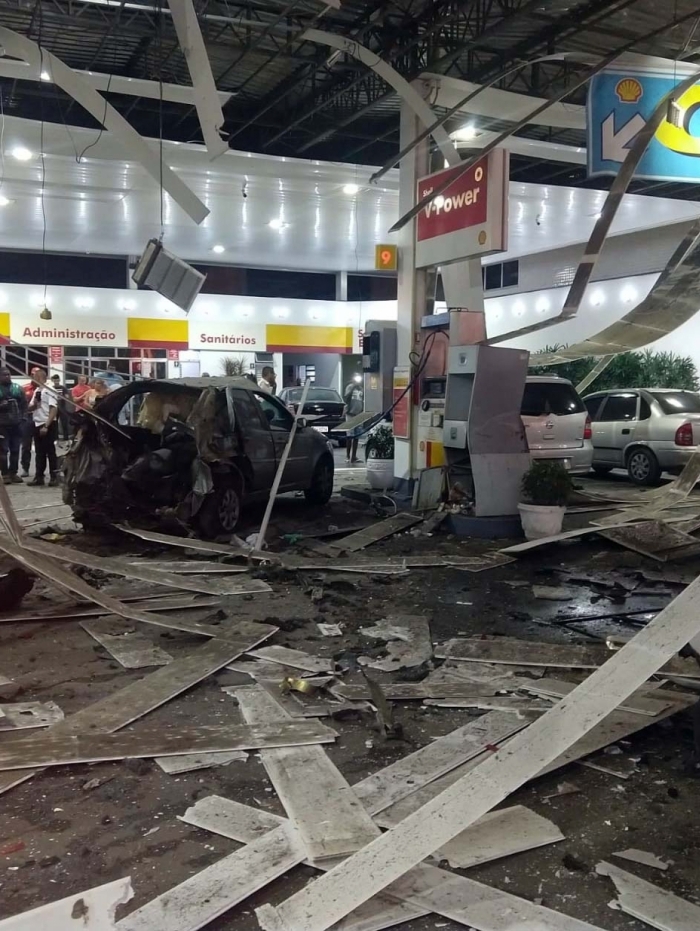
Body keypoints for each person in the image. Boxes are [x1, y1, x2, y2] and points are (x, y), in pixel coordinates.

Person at [28, 369, 59, 487]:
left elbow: (53, 409)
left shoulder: (50, 390)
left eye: (34, 376)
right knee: (39, 453)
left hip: (47, 424)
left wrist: (46, 425)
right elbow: (30, 408)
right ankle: (39, 476)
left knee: (50, 452)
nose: (32, 379)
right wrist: (35, 403)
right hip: (37, 423)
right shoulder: (37, 391)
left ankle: (54, 477)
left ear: (40, 377)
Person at [0, 367, 28, 484]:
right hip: (2, 425)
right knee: (3, 451)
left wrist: (24, 419)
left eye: (9, 374)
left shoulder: (17, 389)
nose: (7, 376)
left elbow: (24, 405)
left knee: (15, 450)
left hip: (17, 424)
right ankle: (5, 474)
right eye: (4, 375)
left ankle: (13, 473)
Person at [20, 368, 40, 477]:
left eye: (37, 375)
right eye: (33, 375)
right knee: (26, 445)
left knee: (40, 446)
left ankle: (39, 471)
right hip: (27, 418)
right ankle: (25, 468)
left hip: (40, 418)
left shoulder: (45, 389)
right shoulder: (24, 388)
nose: (35, 377)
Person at [343, 374, 364, 464]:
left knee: (357, 436)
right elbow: (346, 398)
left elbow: (362, 400)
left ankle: (354, 456)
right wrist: (353, 388)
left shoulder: (361, 389)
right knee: (350, 435)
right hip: (350, 414)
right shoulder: (349, 387)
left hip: (358, 414)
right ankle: (348, 456)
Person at [51, 374, 71, 441]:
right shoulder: (51, 388)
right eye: (55, 380)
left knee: (64, 423)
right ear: (53, 380)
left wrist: (65, 396)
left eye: (57, 380)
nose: (56, 381)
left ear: (59, 380)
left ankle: (66, 438)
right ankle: (55, 438)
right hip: (54, 408)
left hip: (62, 408)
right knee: (54, 424)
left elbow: (67, 397)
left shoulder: (63, 388)